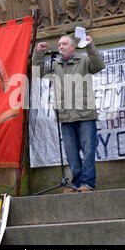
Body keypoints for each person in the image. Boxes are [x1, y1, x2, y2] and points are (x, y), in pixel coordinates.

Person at [33, 35, 105, 192]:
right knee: (71, 154)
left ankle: (87, 184)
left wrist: (90, 45)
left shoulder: (84, 61)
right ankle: (77, 184)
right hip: (65, 116)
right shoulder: (55, 64)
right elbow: (37, 72)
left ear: (73, 47)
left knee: (88, 152)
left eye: (64, 44)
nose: (60, 47)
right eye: (59, 44)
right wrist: (38, 52)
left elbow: (99, 65)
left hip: (85, 115)